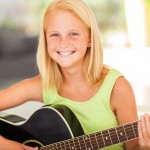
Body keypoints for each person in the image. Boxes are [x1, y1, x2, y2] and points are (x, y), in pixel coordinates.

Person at [0, 0, 150, 149]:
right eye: (54, 35)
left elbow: (134, 147)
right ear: (45, 39)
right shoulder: (42, 85)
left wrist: (145, 146)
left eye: (73, 34)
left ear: (90, 39)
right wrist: (10, 146)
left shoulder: (117, 88)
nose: (63, 42)